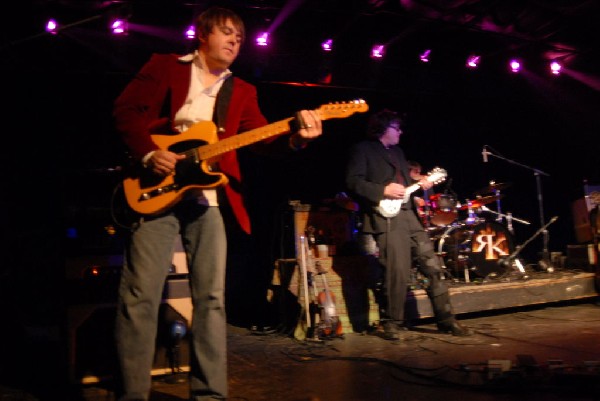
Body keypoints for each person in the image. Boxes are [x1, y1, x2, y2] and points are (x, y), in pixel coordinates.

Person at [112, 6, 322, 400]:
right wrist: (147, 154)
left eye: (240, 38)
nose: (234, 42)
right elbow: (126, 111)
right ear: (202, 35)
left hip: (208, 200)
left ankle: (210, 394)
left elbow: (262, 138)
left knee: (211, 298)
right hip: (156, 189)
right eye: (226, 32)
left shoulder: (241, 90)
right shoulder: (164, 65)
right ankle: (132, 394)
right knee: (140, 295)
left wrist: (297, 137)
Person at [345, 109, 471, 340]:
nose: (400, 132)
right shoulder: (363, 149)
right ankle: (393, 322)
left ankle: (446, 320)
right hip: (386, 219)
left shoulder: (399, 152)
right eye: (396, 128)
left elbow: (406, 187)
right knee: (397, 272)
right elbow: (353, 182)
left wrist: (422, 183)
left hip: (409, 216)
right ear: (383, 128)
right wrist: (382, 189)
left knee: (432, 266)